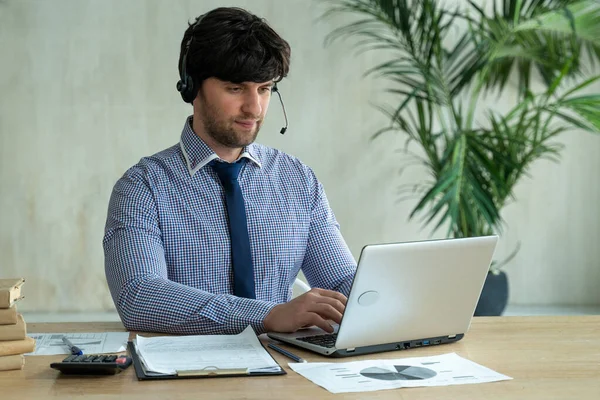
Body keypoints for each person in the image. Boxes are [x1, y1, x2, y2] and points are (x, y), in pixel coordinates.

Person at [103, 7, 356, 335]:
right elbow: (139, 296)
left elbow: (339, 281)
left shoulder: (298, 180)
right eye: (236, 88)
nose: (254, 107)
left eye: (264, 88)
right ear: (192, 87)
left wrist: (384, 299)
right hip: (186, 375)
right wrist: (266, 315)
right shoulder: (142, 187)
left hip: (286, 373)